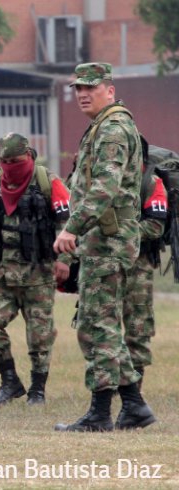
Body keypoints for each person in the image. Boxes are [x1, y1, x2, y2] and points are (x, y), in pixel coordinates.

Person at [54, 62, 156, 432]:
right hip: (105, 240)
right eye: (78, 88)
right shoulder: (104, 125)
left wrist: (72, 228)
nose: (83, 94)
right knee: (102, 324)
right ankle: (134, 406)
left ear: (109, 90)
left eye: (91, 88)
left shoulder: (112, 129)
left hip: (108, 242)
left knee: (96, 325)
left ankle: (100, 414)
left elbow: (104, 188)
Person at [0, 132, 71, 406]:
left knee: (40, 336)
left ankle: (38, 389)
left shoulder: (47, 182)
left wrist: (65, 259)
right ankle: (10, 381)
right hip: (0, 274)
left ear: (28, 155)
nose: (10, 166)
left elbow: (69, 223)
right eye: (5, 161)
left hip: (39, 273)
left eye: (16, 161)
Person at [123, 143, 168, 392]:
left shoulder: (151, 182)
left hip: (139, 265)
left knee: (138, 326)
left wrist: (122, 233)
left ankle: (134, 390)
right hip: (107, 263)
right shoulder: (104, 181)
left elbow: (156, 226)